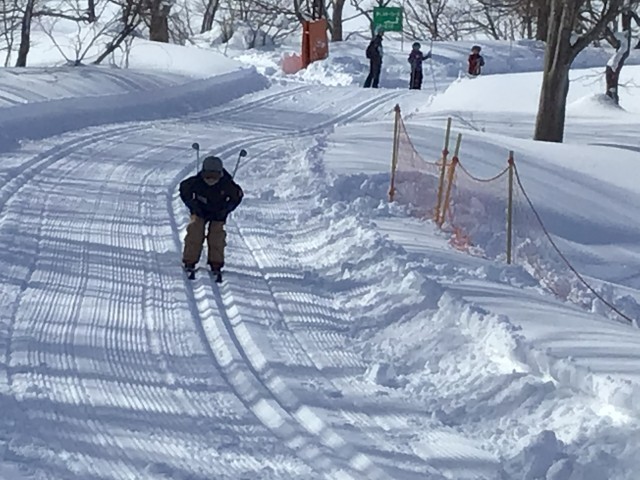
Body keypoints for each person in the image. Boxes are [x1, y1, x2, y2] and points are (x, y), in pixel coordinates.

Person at [179, 155, 243, 273]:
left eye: (215, 176)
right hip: (199, 210)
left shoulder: (227, 184)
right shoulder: (196, 182)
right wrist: (192, 204)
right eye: (207, 176)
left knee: (217, 235)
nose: (211, 180)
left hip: (218, 212)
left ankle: (216, 262)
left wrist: (226, 209)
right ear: (203, 173)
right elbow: (183, 189)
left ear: (220, 174)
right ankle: (189, 260)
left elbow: (237, 196)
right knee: (195, 231)